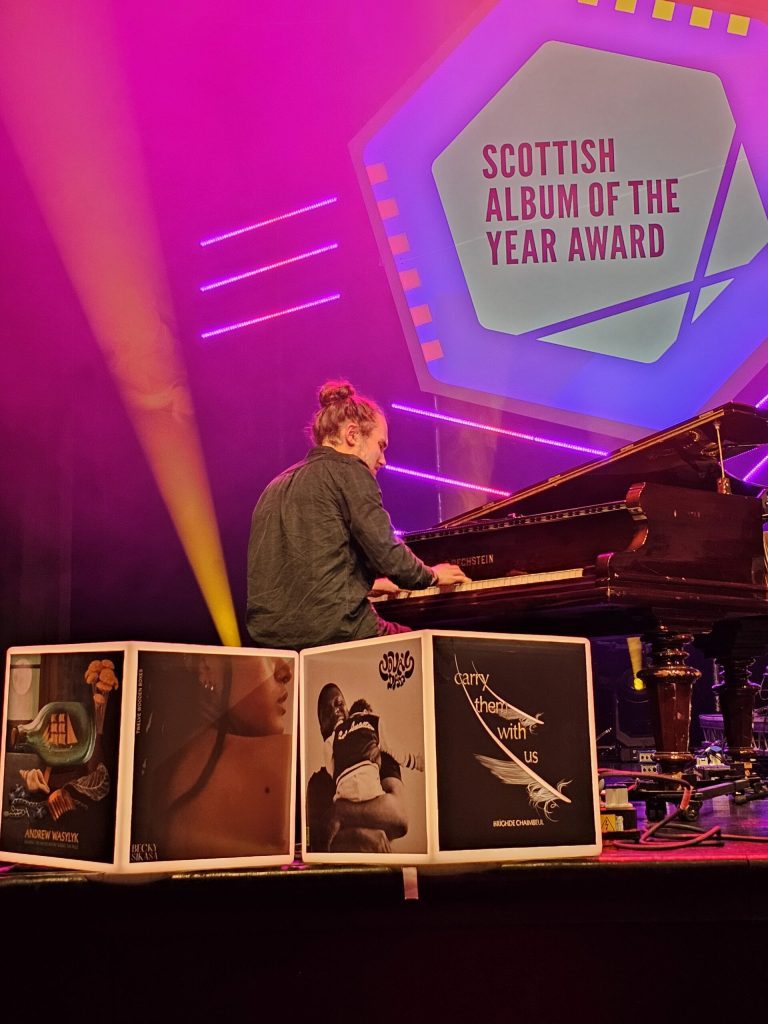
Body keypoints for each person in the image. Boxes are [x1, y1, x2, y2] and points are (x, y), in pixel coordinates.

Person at [246, 379, 470, 650]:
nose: (383, 459)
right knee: (431, 650)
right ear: (353, 435)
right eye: (381, 445)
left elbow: (304, 571)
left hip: (270, 640)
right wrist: (432, 575)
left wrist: (364, 585)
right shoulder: (350, 471)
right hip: (337, 630)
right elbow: (389, 555)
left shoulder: (275, 486)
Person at [131, 651, 294, 861]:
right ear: (207, 666)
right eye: (266, 651)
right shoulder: (283, 763)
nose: (286, 671)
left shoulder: (153, 781)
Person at [306, 683, 409, 853]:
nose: (334, 711)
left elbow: (400, 817)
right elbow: (313, 844)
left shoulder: (379, 756)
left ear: (349, 713)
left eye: (339, 704)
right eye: (326, 712)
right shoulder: (317, 783)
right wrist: (356, 836)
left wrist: (339, 813)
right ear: (321, 728)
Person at [325, 697, 424, 804]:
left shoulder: (336, 733)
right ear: (365, 712)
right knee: (387, 805)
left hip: (343, 791)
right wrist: (415, 762)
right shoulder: (374, 720)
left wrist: (338, 776)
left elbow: (327, 751)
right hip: (369, 784)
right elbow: (393, 749)